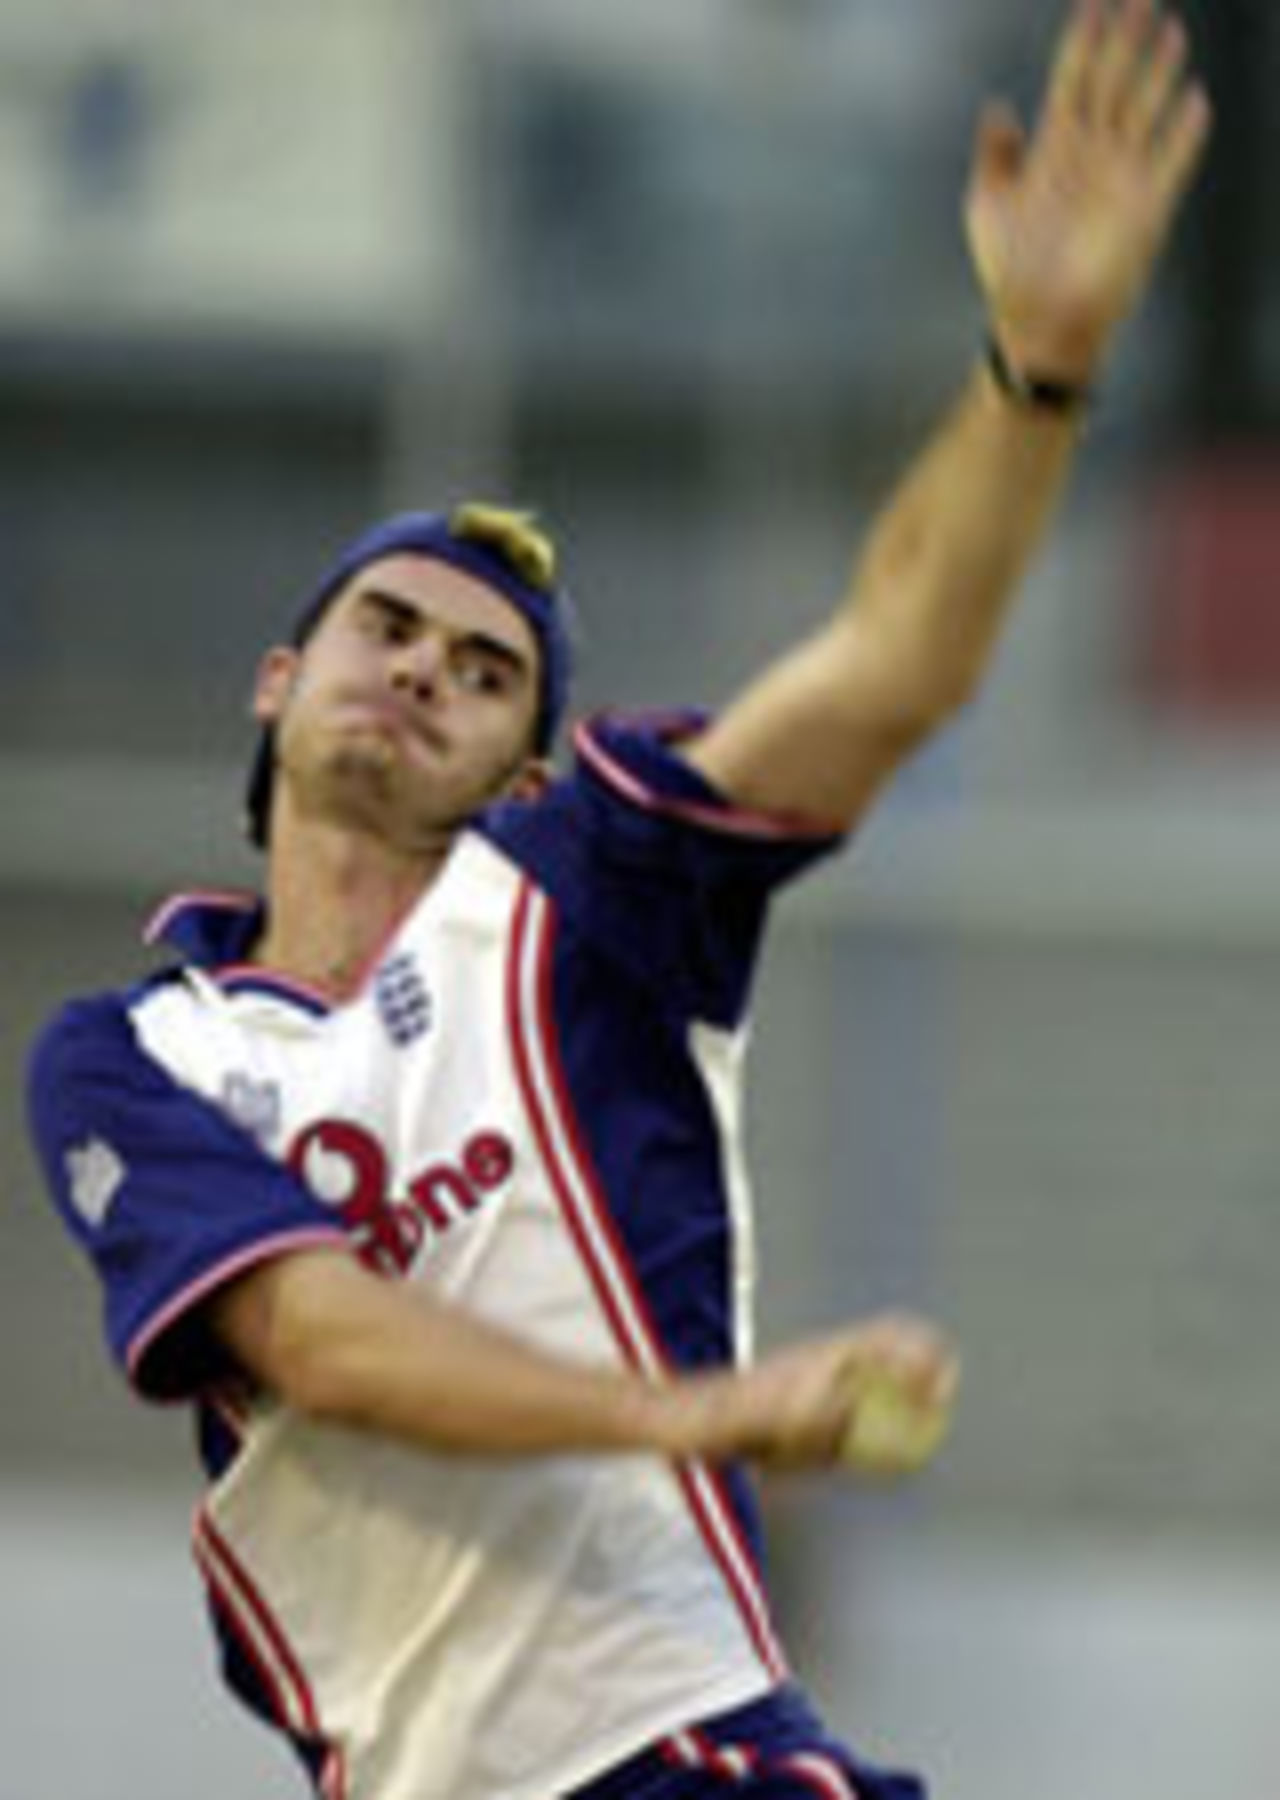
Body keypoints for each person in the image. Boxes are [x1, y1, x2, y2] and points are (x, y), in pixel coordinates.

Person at [26, 3, 1209, 1797]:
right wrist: (697, 1412)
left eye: (486, 669)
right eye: (387, 627)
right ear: (280, 679)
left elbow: (889, 664)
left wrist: (1032, 375)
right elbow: (315, 1338)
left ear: (520, 769)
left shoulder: (576, 891)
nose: (424, 668)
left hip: (687, 1758)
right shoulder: (130, 1054)